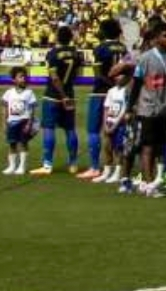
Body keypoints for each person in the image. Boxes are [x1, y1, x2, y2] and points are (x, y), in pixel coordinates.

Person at [132, 23, 166, 197]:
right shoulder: (146, 58)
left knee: (161, 147)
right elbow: (137, 83)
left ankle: (152, 180)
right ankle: (148, 182)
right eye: (165, 35)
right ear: (157, 38)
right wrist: (131, 106)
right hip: (148, 108)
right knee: (148, 146)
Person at [33, 25, 81, 174]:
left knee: (49, 128)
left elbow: (54, 78)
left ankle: (47, 164)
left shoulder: (53, 53)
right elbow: (77, 74)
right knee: (70, 129)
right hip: (69, 92)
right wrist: (67, 93)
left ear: (58, 37)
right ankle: (73, 164)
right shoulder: (76, 54)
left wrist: (62, 95)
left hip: (53, 96)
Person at [81, 18, 125, 180]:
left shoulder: (100, 48)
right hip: (119, 94)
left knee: (94, 130)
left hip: (101, 92)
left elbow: (98, 73)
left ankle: (95, 167)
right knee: (116, 130)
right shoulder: (123, 47)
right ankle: (117, 168)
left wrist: (110, 84)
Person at [5, 68, 39, 175]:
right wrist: (4, 123)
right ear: (14, 79)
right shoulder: (9, 93)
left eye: (25, 77)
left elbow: (33, 109)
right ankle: (11, 166)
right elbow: (5, 108)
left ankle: (22, 166)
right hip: (11, 122)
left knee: (23, 143)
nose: (23, 79)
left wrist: (29, 123)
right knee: (12, 144)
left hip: (24, 121)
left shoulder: (29, 93)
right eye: (20, 77)